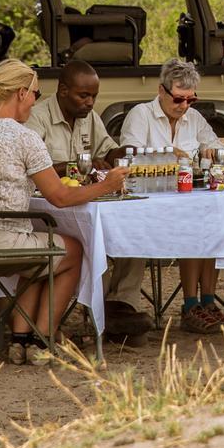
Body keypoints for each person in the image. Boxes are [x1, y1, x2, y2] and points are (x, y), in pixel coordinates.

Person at [0, 58, 127, 365]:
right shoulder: (24, 137)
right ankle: (42, 337)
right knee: (71, 250)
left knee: (43, 249)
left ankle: (21, 341)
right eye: (35, 93)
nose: (36, 101)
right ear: (20, 93)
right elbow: (58, 196)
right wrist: (106, 186)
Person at [26, 60, 154, 344]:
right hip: (50, 206)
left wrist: (131, 151)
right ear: (62, 91)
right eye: (83, 96)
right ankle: (101, 312)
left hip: (88, 199)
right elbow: (32, 168)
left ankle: (120, 306)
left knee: (133, 229)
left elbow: (107, 151)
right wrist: (76, 166)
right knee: (93, 237)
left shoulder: (89, 116)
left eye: (94, 96)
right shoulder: (37, 117)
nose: (89, 102)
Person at [119, 57, 224, 334]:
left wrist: (216, 154)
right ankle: (190, 304)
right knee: (196, 224)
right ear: (161, 91)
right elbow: (127, 158)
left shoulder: (193, 118)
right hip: (148, 206)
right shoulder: (141, 115)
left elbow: (223, 154)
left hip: (187, 200)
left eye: (190, 100)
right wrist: (170, 156)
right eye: (179, 100)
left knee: (213, 222)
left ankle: (206, 301)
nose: (184, 107)